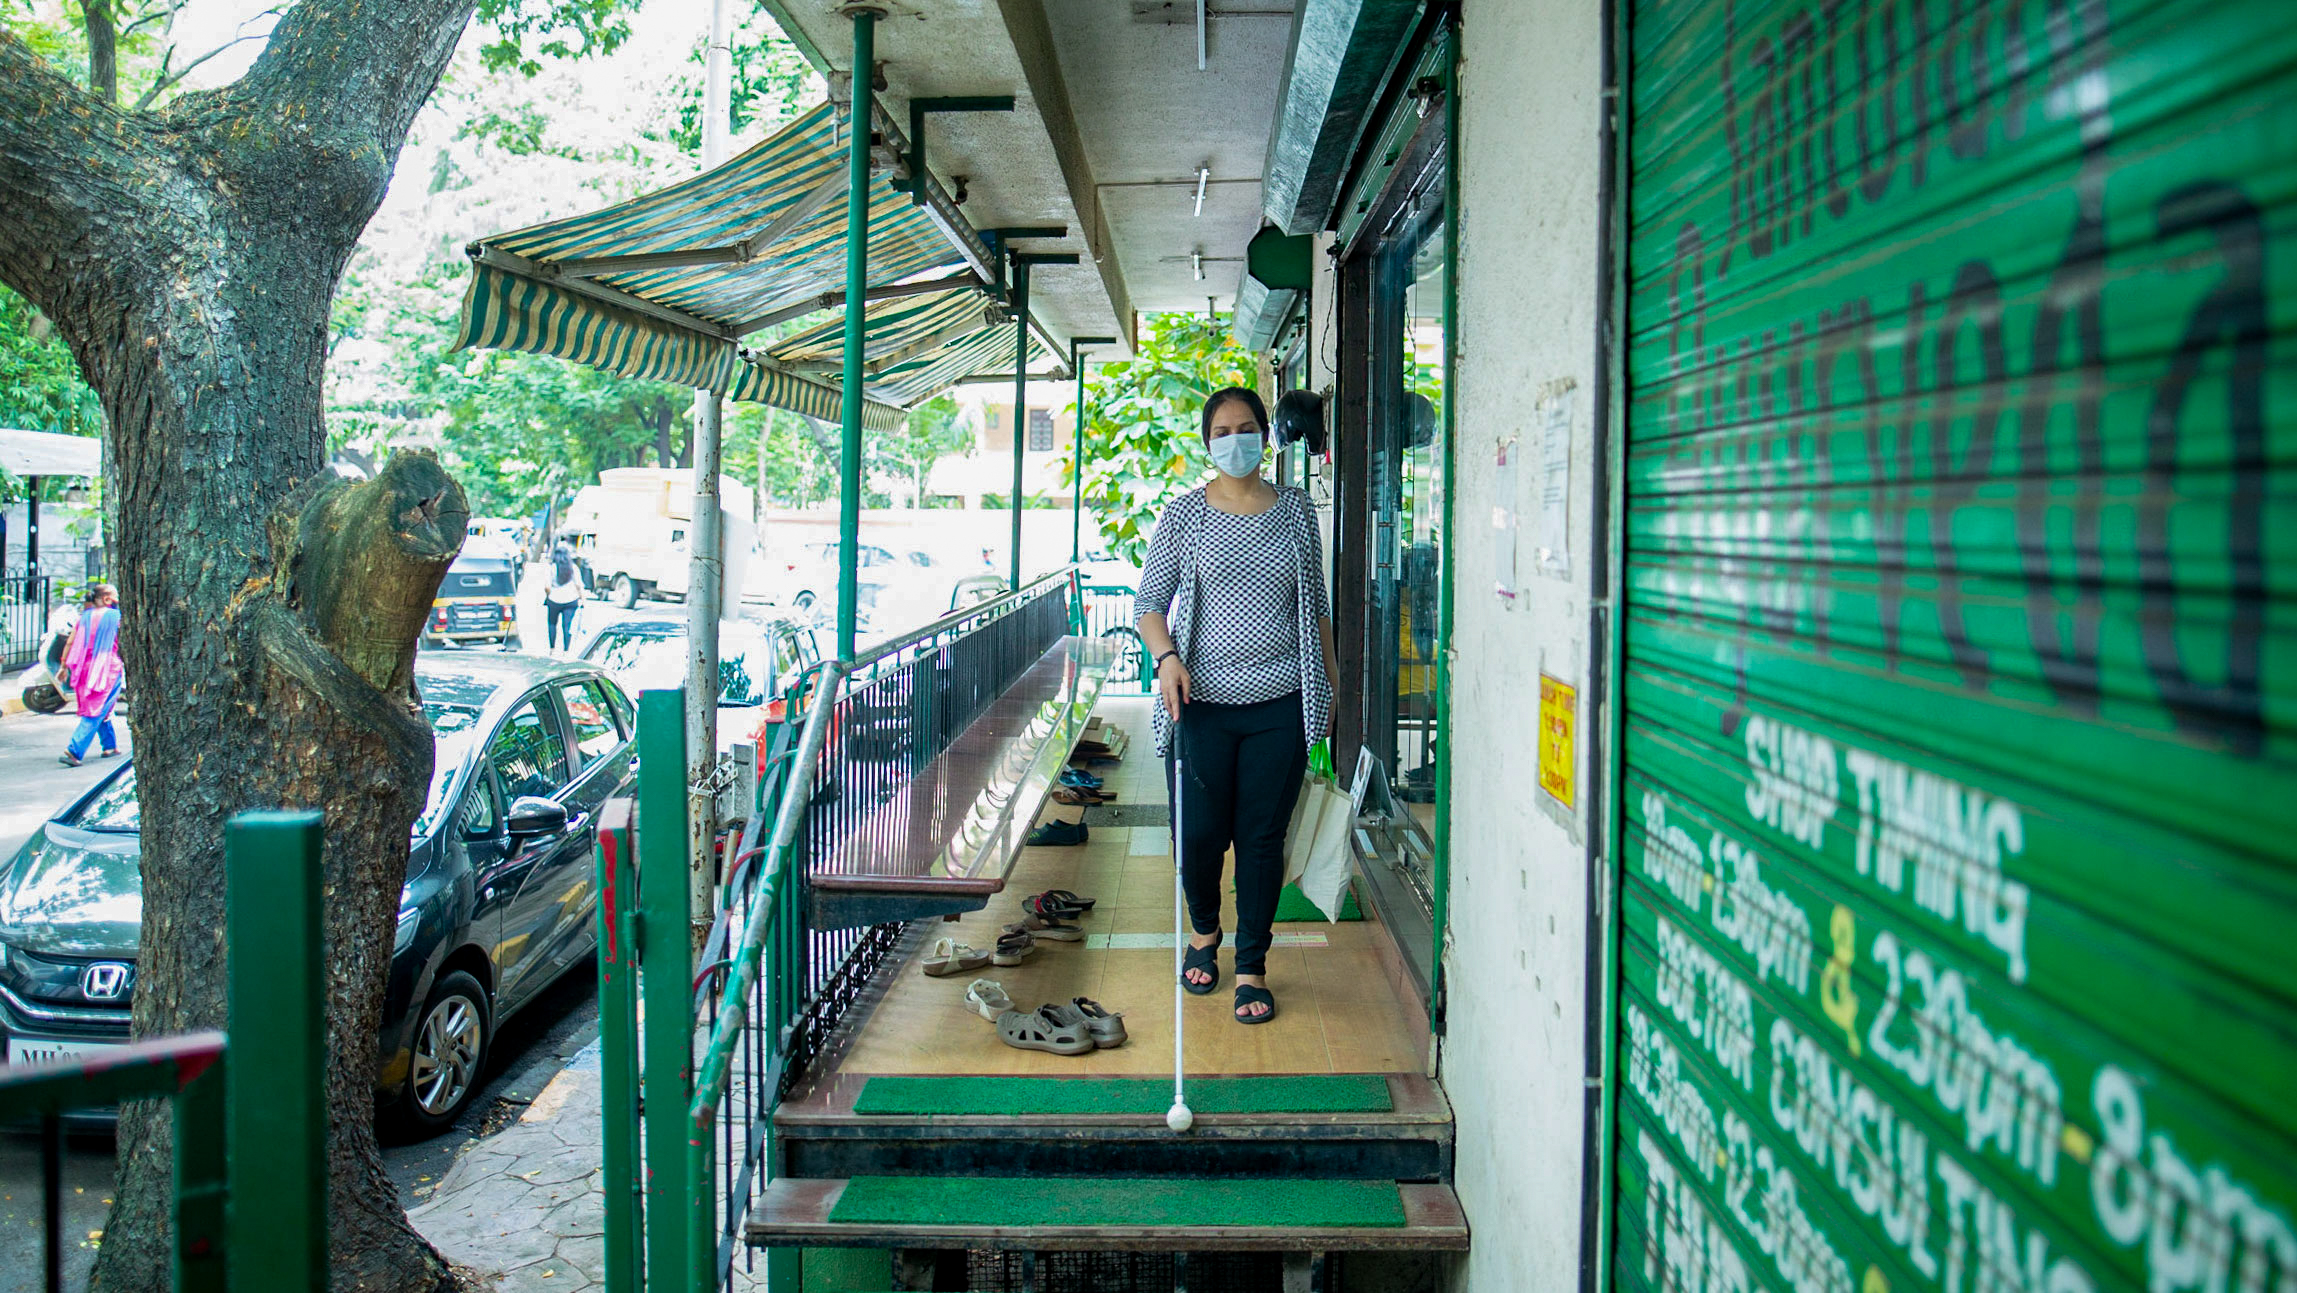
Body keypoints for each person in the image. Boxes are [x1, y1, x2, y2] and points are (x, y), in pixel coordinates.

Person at [1134, 387, 1340, 1025]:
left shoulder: (1297, 512)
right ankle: (1204, 933)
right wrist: (1168, 658)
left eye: (1246, 427)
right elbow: (1150, 605)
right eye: (1222, 430)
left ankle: (1251, 964)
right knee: (1198, 837)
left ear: (1265, 436)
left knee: (1259, 840)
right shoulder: (1184, 516)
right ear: (1207, 441)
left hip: (1281, 702)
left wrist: (1328, 690)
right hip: (1200, 707)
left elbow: (1317, 608)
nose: (1235, 439)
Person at [58, 583, 124, 767]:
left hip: (83, 668)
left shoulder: (84, 617)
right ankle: (75, 750)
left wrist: (63, 666)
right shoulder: (116, 616)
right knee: (97, 709)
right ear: (107, 599)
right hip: (106, 668)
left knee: (102, 706)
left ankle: (110, 746)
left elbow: (71, 642)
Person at [545, 541, 584, 653]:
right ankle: (566, 650)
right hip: (571, 600)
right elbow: (578, 585)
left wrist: (548, 596)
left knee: (552, 624)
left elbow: (547, 586)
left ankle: (552, 649)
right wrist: (582, 599)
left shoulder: (551, 567)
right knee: (567, 626)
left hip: (554, 600)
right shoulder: (573, 568)